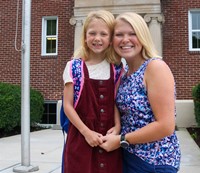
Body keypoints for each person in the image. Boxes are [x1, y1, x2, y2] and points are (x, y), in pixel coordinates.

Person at [100, 12, 181, 173]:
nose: (125, 39)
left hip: (154, 162)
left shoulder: (155, 68)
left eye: (132, 34)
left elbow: (166, 126)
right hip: (129, 156)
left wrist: (121, 140)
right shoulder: (124, 74)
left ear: (143, 36)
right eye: (119, 34)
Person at [62, 10, 123, 173]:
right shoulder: (74, 67)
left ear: (111, 39)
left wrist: (117, 126)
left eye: (104, 34)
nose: (97, 38)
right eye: (92, 33)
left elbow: (115, 101)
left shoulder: (117, 68)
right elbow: (68, 106)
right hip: (81, 137)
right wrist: (86, 132)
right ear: (85, 37)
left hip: (109, 139)